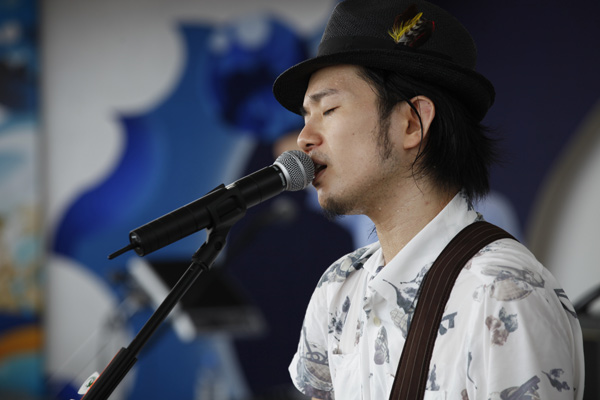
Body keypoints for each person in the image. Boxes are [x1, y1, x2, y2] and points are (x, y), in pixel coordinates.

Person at [271, 0, 585, 399]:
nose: (303, 138)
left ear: (410, 123)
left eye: (329, 109)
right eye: (305, 116)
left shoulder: (502, 293)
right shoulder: (339, 287)